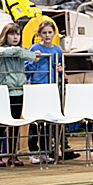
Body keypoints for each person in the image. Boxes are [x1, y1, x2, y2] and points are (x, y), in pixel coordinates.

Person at [0, 22, 38, 166]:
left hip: (19, 91)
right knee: (1, 125)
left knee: (15, 125)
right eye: (12, 34)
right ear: (5, 36)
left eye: (17, 34)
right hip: (4, 91)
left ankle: (13, 155)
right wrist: (21, 52)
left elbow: (31, 57)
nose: (15, 37)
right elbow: (2, 52)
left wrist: (22, 52)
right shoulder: (1, 49)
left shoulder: (21, 50)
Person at [25, 20, 64, 163]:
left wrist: (60, 70)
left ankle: (46, 150)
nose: (47, 35)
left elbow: (61, 67)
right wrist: (34, 60)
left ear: (54, 33)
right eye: (44, 32)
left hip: (51, 88)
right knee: (35, 121)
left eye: (50, 32)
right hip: (37, 86)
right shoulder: (34, 48)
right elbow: (27, 68)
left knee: (49, 122)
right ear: (39, 34)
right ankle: (33, 152)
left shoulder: (58, 50)